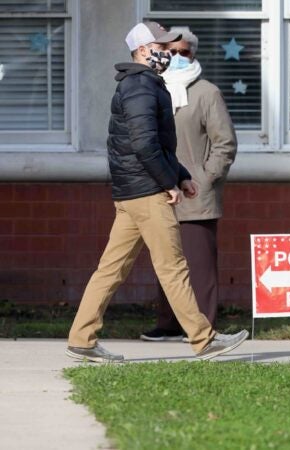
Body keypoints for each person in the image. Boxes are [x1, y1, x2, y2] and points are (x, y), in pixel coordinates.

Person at [65, 22, 248, 363]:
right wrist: (167, 183)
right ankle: (204, 339)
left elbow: (158, 145)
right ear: (143, 51)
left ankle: (81, 339)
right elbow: (144, 144)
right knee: (173, 267)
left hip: (133, 193)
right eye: (161, 47)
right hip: (147, 194)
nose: (167, 53)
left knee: (111, 269)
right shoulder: (140, 86)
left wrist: (181, 176)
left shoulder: (144, 83)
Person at [140, 27, 237, 342]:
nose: (178, 57)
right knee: (167, 261)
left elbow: (225, 144)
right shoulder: (153, 89)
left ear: (194, 54)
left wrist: (205, 178)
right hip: (161, 190)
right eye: (173, 51)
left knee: (199, 265)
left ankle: (203, 326)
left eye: (185, 52)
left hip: (196, 194)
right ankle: (168, 323)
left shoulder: (207, 92)